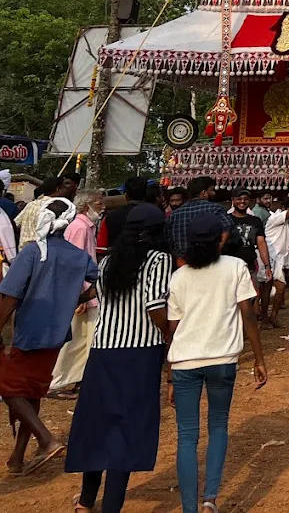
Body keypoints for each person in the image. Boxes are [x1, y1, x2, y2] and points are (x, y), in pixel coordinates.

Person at [66, 205, 173, 513]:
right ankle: (112, 505)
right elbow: (155, 305)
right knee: (128, 430)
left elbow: (97, 293)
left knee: (97, 424)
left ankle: (86, 500)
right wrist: (169, 334)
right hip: (140, 352)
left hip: (103, 352)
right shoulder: (159, 259)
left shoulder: (109, 260)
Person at [165, 210, 267, 513]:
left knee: (186, 436)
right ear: (220, 240)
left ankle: (189, 508)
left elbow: (173, 328)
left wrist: (169, 374)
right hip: (223, 359)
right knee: (218, 426)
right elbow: (248, 314)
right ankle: (210, 499)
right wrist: (259, 359)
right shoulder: (235, 267)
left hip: (184, 360)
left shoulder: (179, 275)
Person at [0, 197, 98, 474]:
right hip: (56, 333)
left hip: (30, 331)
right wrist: (72, 299)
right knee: (31, 392)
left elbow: (9, 297)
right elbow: (97, 281)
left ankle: (46, 440)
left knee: (9, 388)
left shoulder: (32, 253)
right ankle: (17, 458)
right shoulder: (78, 257)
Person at [50, 190, 104, 397]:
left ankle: (74, 378)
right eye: (98, 203)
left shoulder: (84, 227)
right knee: (75, 339)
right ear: (85, 206)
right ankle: (57, 380)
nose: (102, 207)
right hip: (82, 294)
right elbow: (73, 264)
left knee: (83, 339)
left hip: (85, 293)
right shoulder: (80, 228)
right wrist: (80, 295)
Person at [167, 177, 232, 264]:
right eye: (212, 190)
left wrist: (179, 258)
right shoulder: (215, 208)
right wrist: (218, 250)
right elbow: (227, 228)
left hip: (184, 265)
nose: (214, 193)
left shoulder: (174, 215)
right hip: (210, 263)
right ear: (204, 193)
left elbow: (169, 241)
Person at [262, 189, 289, 327]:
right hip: (268, 258)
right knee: (266, 290)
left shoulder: (286, 219)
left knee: (278, 288)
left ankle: (271, 317)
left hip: (278, 259)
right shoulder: (275, 218)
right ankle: (264, 318)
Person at [226, 189, 271, 312]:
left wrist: (267, 265)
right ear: (233, 201)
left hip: (249, 264)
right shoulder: (226, 219)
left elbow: (261, 243)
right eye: (239, 199)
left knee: (251, 295)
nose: (242, 202)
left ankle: (248, 325)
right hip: (229, 265)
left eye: (245, 199)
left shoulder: (255, 221)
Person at [96, 177, 150, 257]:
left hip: (116, 263)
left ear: (125, 194)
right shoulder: (154, 215)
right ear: (146, 193)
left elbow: (101, 248)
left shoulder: (110, 216)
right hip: (148, 264)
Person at [14, 176, 58, 249]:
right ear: (58, 189)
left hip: (24, 252)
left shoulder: (31, 205)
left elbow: (15, 224)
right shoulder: (55, 207)